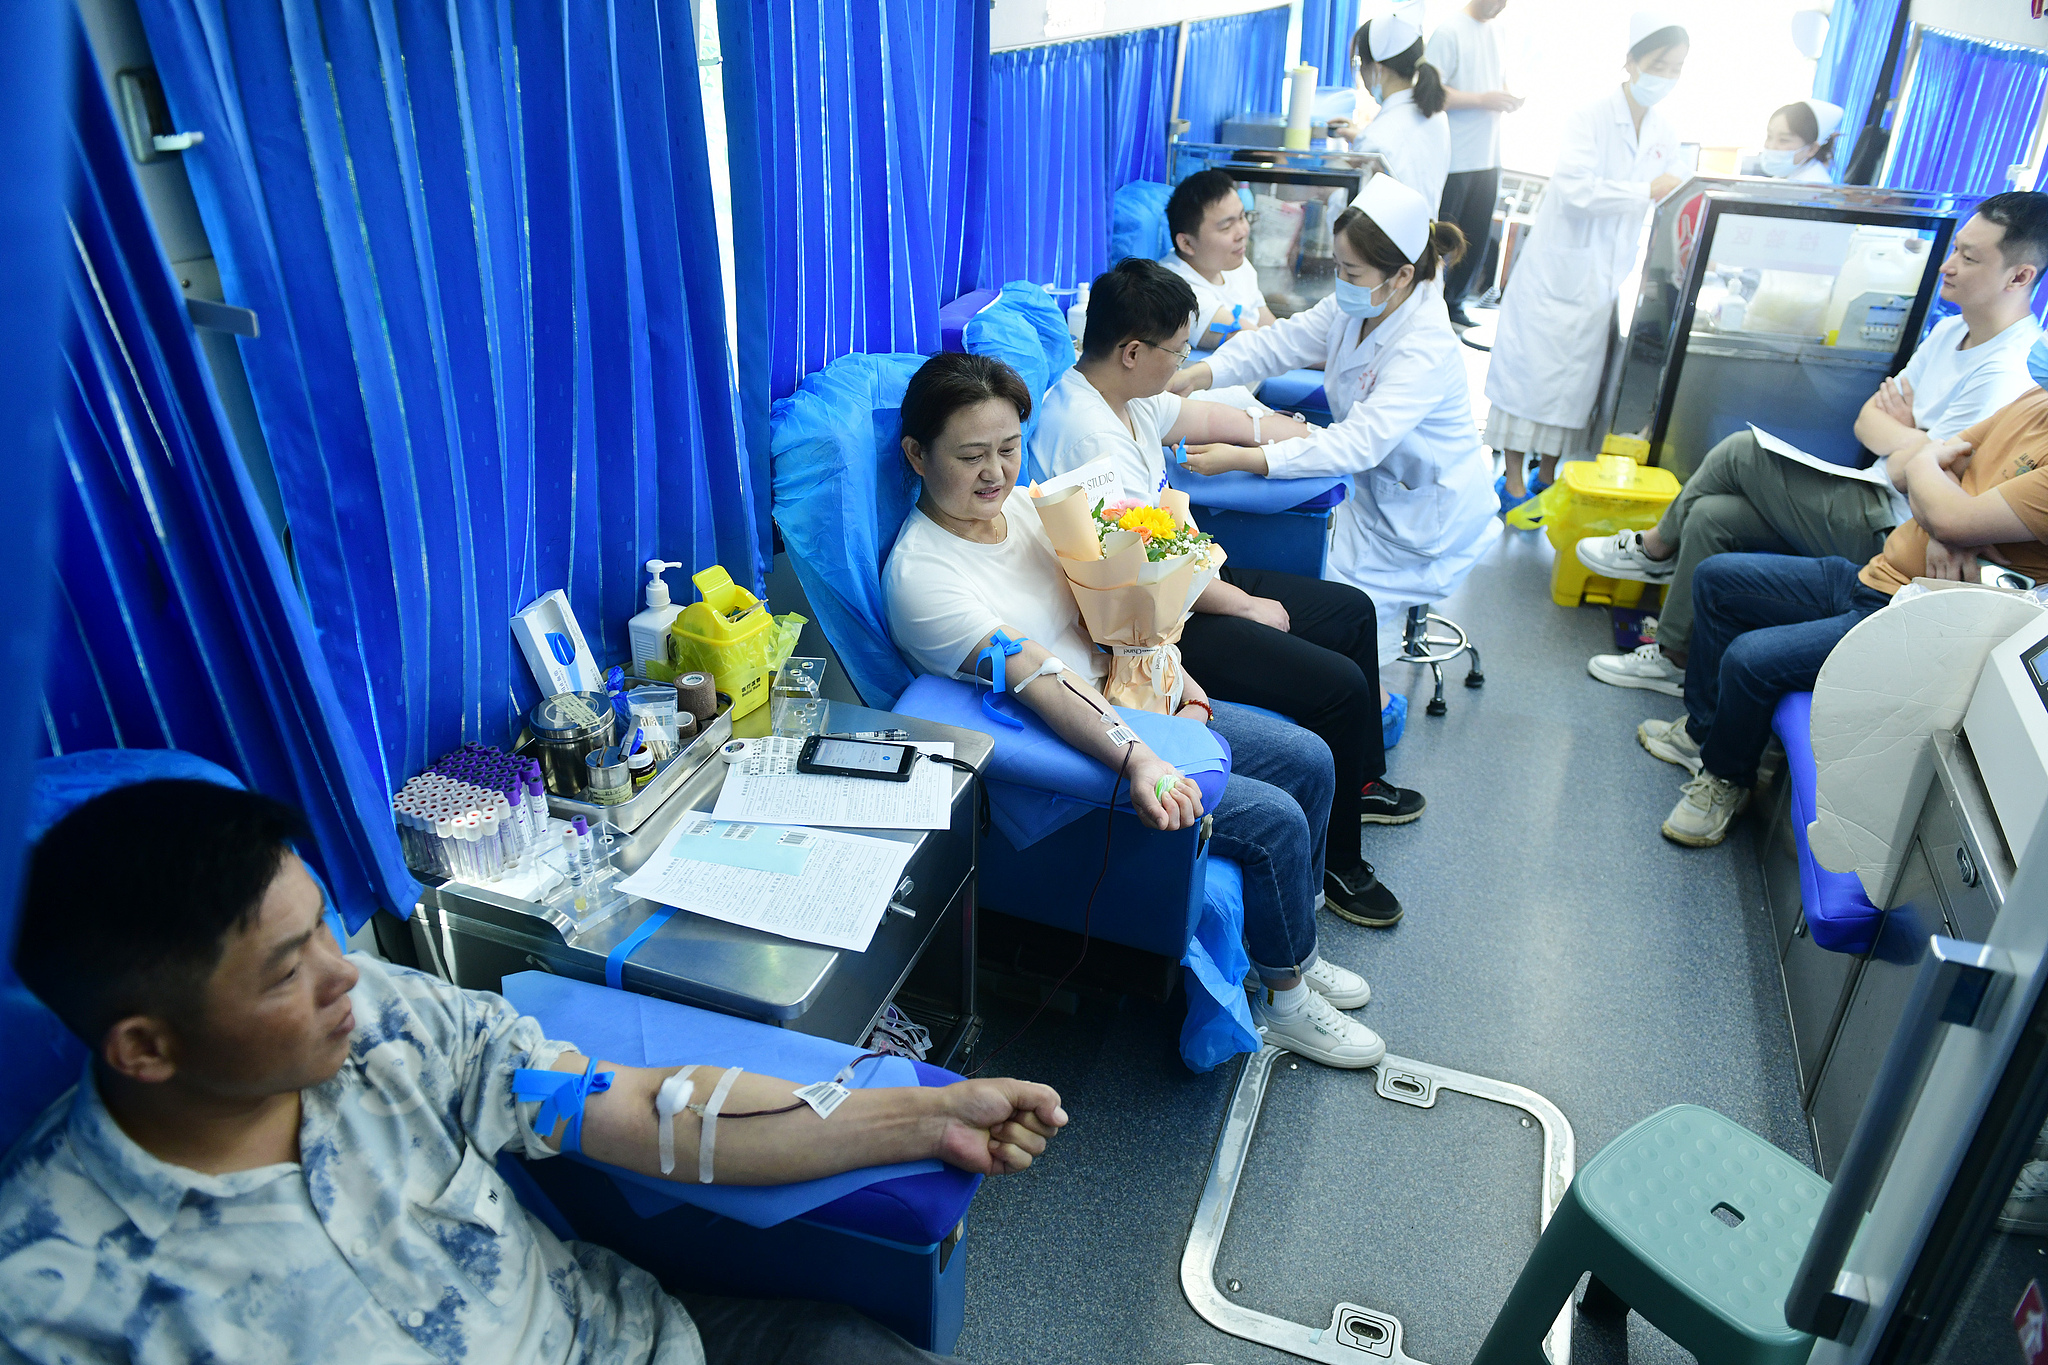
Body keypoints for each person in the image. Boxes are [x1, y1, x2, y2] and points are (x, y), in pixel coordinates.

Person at [0, 779, 1068, 1364]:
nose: (345, 976)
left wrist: (922, 1120)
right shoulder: (51, 1299)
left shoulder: (388, 1026)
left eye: (326, 929)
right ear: (145, 1044)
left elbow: (648, 1113)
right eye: (288, 970)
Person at [883, 353, 1405, 1064]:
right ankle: (1286, 999)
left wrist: (1180, 678)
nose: (996, 473)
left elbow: (1113, 611)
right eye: (971, 455)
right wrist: (1142, 757)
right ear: (917, 453)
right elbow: (1041, 681)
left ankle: (1291, 950)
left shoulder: (1030, 514)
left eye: (1008, 449)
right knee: (1273, 819)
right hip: (1070, 749)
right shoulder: (925, 577)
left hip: (1136, 699)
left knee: (1311, 759)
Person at [1580, 191, 2048, 695]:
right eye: (1954, 249)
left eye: (1969, 257)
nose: (1948, 266)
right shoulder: (1950, 332)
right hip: (1875, 494)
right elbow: (1868, 423)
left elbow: (1913, 477)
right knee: (1714, 515)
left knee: (1742, 451)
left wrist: (1911, 447)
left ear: (2019, 276)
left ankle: (1654, 549)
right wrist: (1919, 444)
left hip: (1894, 524)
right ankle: (1675, 659)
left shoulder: (2009, 370)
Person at [1032, 257, 1427, 835]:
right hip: (1153, 620)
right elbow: (1141, 569)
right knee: (1338, 687)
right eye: (1178, 351)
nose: (1184, 362)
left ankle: (1361, 783)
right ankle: (1341, 861)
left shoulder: (1129, 397)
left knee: (1351, 610)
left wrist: (1292, 433)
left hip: (1185, 578)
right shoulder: (1087, 434)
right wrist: (1244, 605)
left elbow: (1213, 417)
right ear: (1133, 352)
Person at [1642, 362, 2048, 847]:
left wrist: (1946, 505)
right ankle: (1704, 732)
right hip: (1873, 573)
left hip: (1907, 611)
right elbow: (1912, 468)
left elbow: (1942, 497)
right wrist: (1942, 502)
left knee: (1750, 659)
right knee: (1716, 579)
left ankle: (1727, 779)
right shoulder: (2033, 402)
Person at [1166, 174, 1499, 663]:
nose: (1340, 281)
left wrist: (1250, 455)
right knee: (1330, 586)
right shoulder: (1359, 303)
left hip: (1423, 516)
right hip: (1374, 494)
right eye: (1339, 266)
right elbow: (1279, 343)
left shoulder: (1423, 346)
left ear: (1401, 275)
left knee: (1347, 610)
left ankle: (1377, 709)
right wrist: (1200, 372)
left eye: (1352, 271)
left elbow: (1358, 444)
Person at [1485, 13, 1687, 507]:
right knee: (1528, 378)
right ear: (1631, 62)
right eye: (1659, 63)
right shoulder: (1591, 116)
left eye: (1676, 68)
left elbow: (1676, 188)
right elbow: (1577, 190)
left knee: (1574, 387)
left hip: (1602, 280)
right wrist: (1646, 189)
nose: (1665, 75)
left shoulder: (1664, 130)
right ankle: (1513, 481)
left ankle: (1547, 479)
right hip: (1555, 272)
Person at [1427, 0, 1523, 327]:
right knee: (1444, 238)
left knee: (1477, 237)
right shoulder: (1449, 31)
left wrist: (1508, 97)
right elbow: (1431, 92)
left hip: (1489, 155)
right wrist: (1482, 100)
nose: (1498, 7)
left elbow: (1499, 80)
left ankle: (1454, 303)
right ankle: (1429, 304)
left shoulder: (1500, 31)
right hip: (1454, 156)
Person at [1333, 13, 1452, 215]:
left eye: (1361, 65)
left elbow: (1348, 215)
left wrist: (1329, 191)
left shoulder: (1377, 139)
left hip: (1384, 245)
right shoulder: (1437, 116)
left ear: (1378, 69)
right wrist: (1361, 138)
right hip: (1423, 238)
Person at [1161, 170, 1276, 352]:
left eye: (1242, 217)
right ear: (1187, 243)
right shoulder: (1174, 292)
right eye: (1227, 227)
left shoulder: (1236, 264)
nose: (1243, 232)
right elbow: (1264, 344)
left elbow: (1270, 326)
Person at [1757, 98, 1843, 185]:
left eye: (1783, 140)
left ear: (1812, 149)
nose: (1771, 146)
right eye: (1769, 136)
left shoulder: (1812, 186)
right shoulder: (1788, 175)